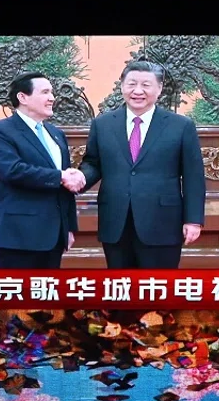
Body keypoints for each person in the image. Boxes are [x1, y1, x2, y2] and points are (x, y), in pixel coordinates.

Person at [74, 61, 206, 268]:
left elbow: (193, 177)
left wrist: (193, 220)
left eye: (146, 85)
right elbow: (93, 163)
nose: (137, 91)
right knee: (121, 290)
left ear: (159, 89)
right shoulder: (103, 124)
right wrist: (80, 178)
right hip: (115, 221)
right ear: (122, 86)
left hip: (162, 223)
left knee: (157, 290)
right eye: (131, 84)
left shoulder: (180, 126)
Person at [0, 72, 84, 268]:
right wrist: (60, 176)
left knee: (46, 295)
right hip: (15, 236)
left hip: (53, 237)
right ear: (22, 97)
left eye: (51, 92)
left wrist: (68, 227)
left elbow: (64, 186)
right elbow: (12, 170)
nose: (52, 97)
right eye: (45, 92)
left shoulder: (56, 134)